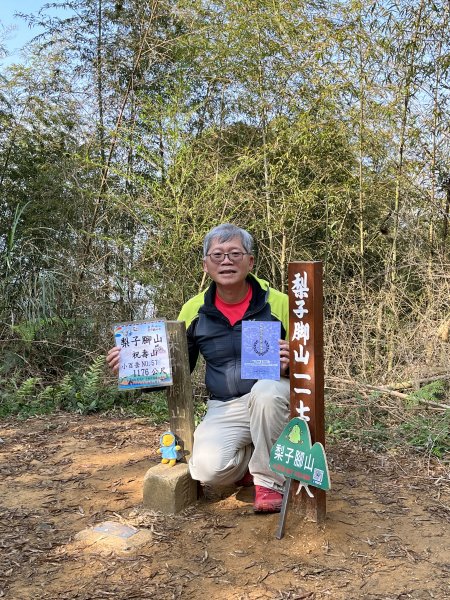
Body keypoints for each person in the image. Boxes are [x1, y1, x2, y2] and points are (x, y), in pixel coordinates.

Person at [107, 223, 290, 513]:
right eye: (217, 255)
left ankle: (270, 482)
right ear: (206, 265)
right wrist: (135, 369)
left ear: (251, 261)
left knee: (266, 392)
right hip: (225, 406)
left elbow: (310, 363)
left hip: (273, 397)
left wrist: (293, 362)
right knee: (207, 471)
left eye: (234, 253)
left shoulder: (280, 303)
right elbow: (178, 370)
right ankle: (253, 462)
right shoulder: (193, 310)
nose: (226, 261)